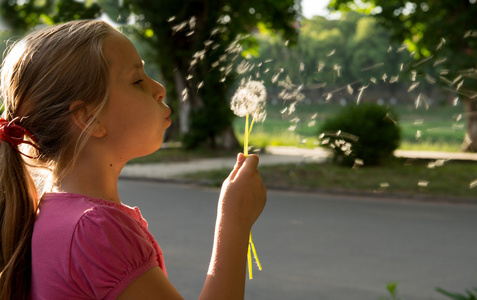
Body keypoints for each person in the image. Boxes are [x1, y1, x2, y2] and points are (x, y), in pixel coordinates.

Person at [0, 20, 266, 299]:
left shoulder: (51, 211)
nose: (159, 88)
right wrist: (234, 223)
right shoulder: (96, 230)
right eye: (137, 80)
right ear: (89, 118)